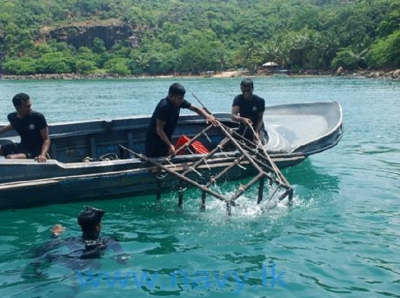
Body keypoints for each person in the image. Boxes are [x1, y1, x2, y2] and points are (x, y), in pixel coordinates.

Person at [33, 206, 127, 272]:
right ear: (98, 227)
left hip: (69, 262)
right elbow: (122, 260)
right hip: (86, 266)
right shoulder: (108, 241)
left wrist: (55, 234)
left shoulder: (71, 240)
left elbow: (49, 246)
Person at [145, 82, 219, 157]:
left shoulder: (178, 102)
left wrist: (208, 116)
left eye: (182, 98)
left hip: (166, 138)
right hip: (154, 141)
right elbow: (159, 129)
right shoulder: (164, 107)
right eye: (180, 98)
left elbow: (196, 109)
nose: (181, 101)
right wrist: (170, 145)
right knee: (157, 160)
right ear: (171, 96)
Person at [0, 93, 50, 162]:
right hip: (22, 146)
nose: (30, 109)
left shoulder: (38, 117)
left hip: (35, 151)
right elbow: (14, 125)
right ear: (17, 107)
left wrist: (42, 155)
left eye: (30, 105)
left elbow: (46, 139)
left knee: (10, 158)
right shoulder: (12, 117)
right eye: (27, 107)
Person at [231, 78, 266, 142]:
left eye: (248, 90)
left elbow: (260, 118)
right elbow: (233, 116)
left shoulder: (260, 101)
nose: (246, 93)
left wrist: (257, 132)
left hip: (257, 127)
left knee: (257, 141)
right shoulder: (238, 99)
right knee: (228, 138)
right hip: (244, 127)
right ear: (241, 89)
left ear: (252, 89)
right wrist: (242, 119)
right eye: (244, 91)